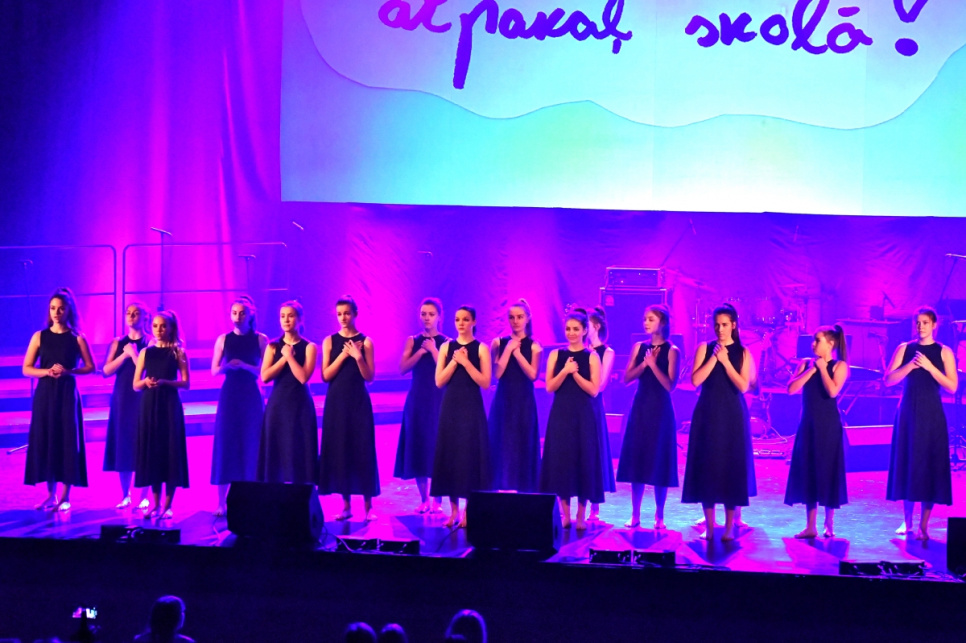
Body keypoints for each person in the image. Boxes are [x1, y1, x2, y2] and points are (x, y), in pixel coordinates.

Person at [681, 303, 757, 541]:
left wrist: (725, 361)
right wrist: (715, 358)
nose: (720, 329)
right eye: (716, 325)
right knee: (708, 465)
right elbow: (695, 380)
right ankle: (710, 525)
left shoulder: (743, 352)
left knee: (731, 466)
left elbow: (743, 385)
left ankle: (730, 525)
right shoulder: (704, 348)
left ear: (733, 325)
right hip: (708, 412)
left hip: (732, 413)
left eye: (724, 325)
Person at [884, 306, 958, 540]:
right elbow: (888, 380)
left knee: (929, 466)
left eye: (925, 322)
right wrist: (910, 366)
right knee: (908, 464)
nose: (920, 326)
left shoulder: (944, 351)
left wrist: (929, 367)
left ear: (934, 325)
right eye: (917, 322)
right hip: (908, 412)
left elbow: (952, 386)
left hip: (932, 414)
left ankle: (923, 525)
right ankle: (907, 522)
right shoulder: (904, 348)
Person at [23, 288, 95, 511]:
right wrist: (47, 371)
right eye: (53, 308)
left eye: (61, 308)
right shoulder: (39, 336)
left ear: (68, 310)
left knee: (67, 440)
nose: (56, 312)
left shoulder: (77, 338)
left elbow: (90, 367)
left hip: (66, 393)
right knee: (47, 439)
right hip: (45, 393)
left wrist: (68, 371)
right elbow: (27, 368)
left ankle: (65, 497)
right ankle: (51, 495)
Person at [616, 304, 680, 529]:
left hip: (661, 410)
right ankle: (635, 514)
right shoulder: (639, 347)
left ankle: (659, 516)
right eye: (645, 319)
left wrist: (653, 365)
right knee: (638, 460)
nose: (646, 323)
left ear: (663, 322)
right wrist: (644, 363)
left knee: (659, 460)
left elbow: (670, 385)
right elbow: (626, 378)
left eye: (651, 319)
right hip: (641, 407)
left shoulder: (672, 350)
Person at [784, 325, 850, 538]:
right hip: (808, 424)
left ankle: (828, 522)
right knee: (809, 471)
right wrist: (812, 369)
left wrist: (822, 369)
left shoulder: (840, 366)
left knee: (828, 471)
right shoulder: (805, 364)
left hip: (828, 426)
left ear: (830, 344)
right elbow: (791, 389)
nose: (813, 344)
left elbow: (832, 391)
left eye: (818, 340)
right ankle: (810, 525)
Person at [540, 309, 603, 531]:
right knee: (562, 462)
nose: (571, 333)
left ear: (585, 330)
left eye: (576, 329)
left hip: (583, 415)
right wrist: (566, 371)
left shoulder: (592, 356)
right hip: (561, 415)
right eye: (568, 329)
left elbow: (594, 389)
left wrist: (575, 374)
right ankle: (565, 513)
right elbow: (550, 386)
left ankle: (581, 514)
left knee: (583, 460)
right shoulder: (556, 355)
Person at [320, 295, 380, 522]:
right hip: (336, 402)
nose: (343, 318)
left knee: (363, 450)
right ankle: (346, 506)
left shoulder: (366, 342)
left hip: (358, 402)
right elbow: (325, 375)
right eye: (339, 314)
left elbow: (369, 376)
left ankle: (368, 507)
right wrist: (344, 355)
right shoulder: (329, 341)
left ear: (355, 314)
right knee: (341, 449)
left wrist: (357, 357)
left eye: (347, 313)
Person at [431, 305, 492, 528]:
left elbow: (485, 382)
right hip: (451, 407)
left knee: (469, 457)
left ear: (473, 322)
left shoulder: (481, 348)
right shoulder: (447, 347)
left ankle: (468, 511)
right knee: (450, 455)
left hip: (471, 408)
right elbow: (439, 381)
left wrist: (466, 363)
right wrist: (455, 362)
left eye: (465, 319)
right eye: (457, 319)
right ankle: (454, 511)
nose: (461, 323)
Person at [210, 296, 268, 516]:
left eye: (242, 312)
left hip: (251, 394)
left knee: (253, 443)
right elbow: (214, 370)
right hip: (230, 395)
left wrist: (244, 365)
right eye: (234, 313)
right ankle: (221, 502)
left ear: (250, 314)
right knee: (226, 444)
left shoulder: (260, 339)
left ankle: (253, 497)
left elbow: (265, 372)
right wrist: (227, 367)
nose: (238, 316)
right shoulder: (223, 339)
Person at [134, 310, 190, 520]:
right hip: (149, 405)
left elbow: (186, 383)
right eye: (155, 326)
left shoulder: (178, 352)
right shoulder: (146, 352)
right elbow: (136, 384)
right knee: (153, 453)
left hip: (169, 405)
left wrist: (167, 382)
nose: (158, 330)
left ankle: (168, 505)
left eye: (163, 326)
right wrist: (146, 382)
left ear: (171, 328)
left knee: (170, 452)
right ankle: (155, 504)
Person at [394, 298, 447, 513]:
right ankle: (424, 499)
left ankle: (438, 499)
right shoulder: (413, 341)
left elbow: (447, 368)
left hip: (438, 399)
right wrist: (421, 351)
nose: (427, 318)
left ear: (439, 317)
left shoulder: (446, 342)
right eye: (423, 314)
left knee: (437, 447)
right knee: (418, 446)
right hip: (417, 400)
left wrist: (433, 350)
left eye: (431, 314)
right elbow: (402, 368)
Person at [257, 300, 318, 484]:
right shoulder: (273, 346)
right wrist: (283, 359)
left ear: (300, 319)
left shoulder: (309, 347)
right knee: (276, 449)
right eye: (282, 316)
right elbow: (265, 377)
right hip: (278, 403)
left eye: (290, 316)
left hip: (300, 404)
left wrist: (290, 357)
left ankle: (301, 493)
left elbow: (303, 377)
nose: (286, 320)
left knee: (299, 449)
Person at [488, 298, 541, 492]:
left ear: (527, 318)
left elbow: (533, 375)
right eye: (511, 317)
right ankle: (500, 489)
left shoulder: (534, 346)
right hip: (504, 400)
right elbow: (497, 374)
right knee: (501, 444)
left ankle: (523, 491)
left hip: (524, 402)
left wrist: (517, 354)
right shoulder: (498, 343)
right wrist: (509, 350)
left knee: (523, 444)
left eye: (519, 317)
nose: (515, 321)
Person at [103, 302, 152, 511]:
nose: (131, 316)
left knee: (144, 444)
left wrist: (133, 354)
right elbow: (106, 370)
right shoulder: (118, 342)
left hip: (143, 397)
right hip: (123, 397)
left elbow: (148, 370)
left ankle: (144, 496)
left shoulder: (151, 342)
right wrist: (124, 354)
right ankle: (126, 495)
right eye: (128, 313)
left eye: (136, 313)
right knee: (123, 445)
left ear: (145, 317)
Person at [586, 306, 616, 521]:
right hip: (574, 405)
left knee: (593, 453)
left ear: (596, 326)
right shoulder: (578, 350)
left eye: (585, 324)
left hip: (593, 406)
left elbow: (601, 384)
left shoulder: (607, 352)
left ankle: (594, 506)